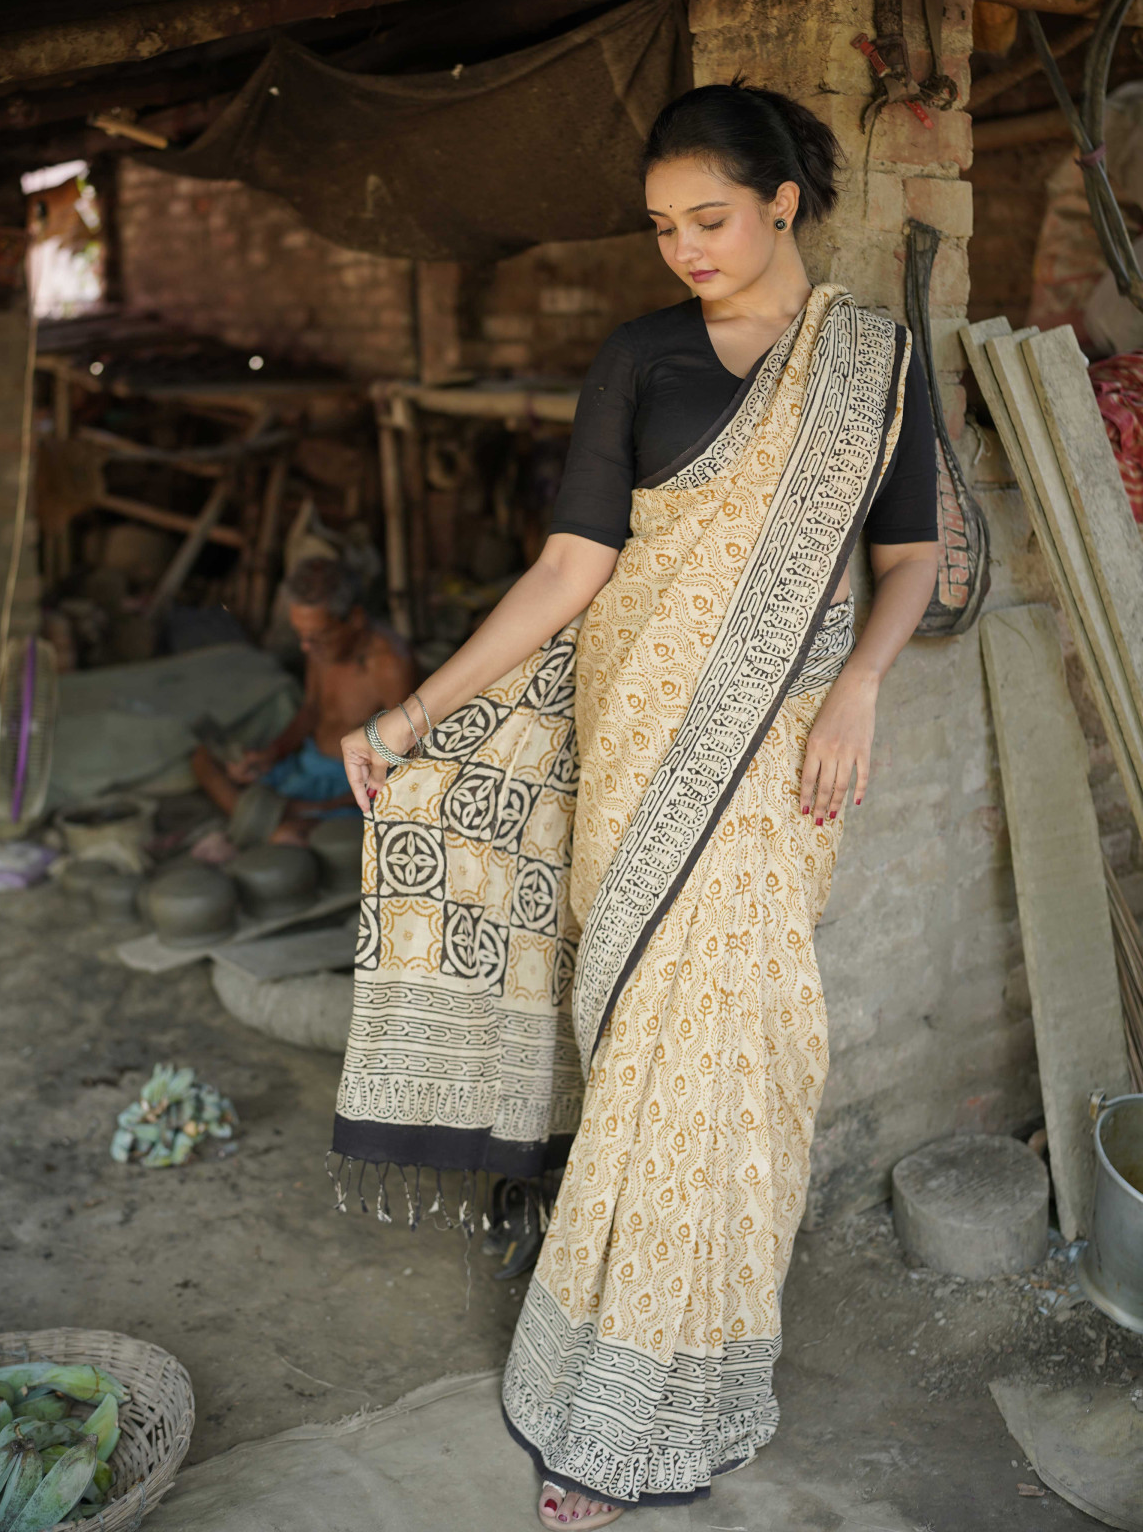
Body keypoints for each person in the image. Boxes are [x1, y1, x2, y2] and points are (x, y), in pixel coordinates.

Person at [334, 82, 940, 1524]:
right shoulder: (639, 357)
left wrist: (861, 686)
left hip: (782, 760)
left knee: (739, 1061)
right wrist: (411, 713)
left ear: (783, 202)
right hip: (639, 745)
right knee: (649, 1061)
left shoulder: (873, 364)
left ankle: (682, 1382)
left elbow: (912, 554)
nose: (686, 249)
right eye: (665, 227)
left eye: (710, 219)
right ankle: (599, 1383)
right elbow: (572, 566)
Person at [192, 555, 414, 840]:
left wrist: (317, 808)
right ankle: (268, 822)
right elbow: (311, 710)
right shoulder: (321, 647)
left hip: (349, 787)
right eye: (301, 635)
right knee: (202, 760)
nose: (306, 647)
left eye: (317, 636)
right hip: (306, 764)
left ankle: (268, 824)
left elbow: (399, 766)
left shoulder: (390, 666)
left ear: (355, 619)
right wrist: (271, 754)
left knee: (295, 837)